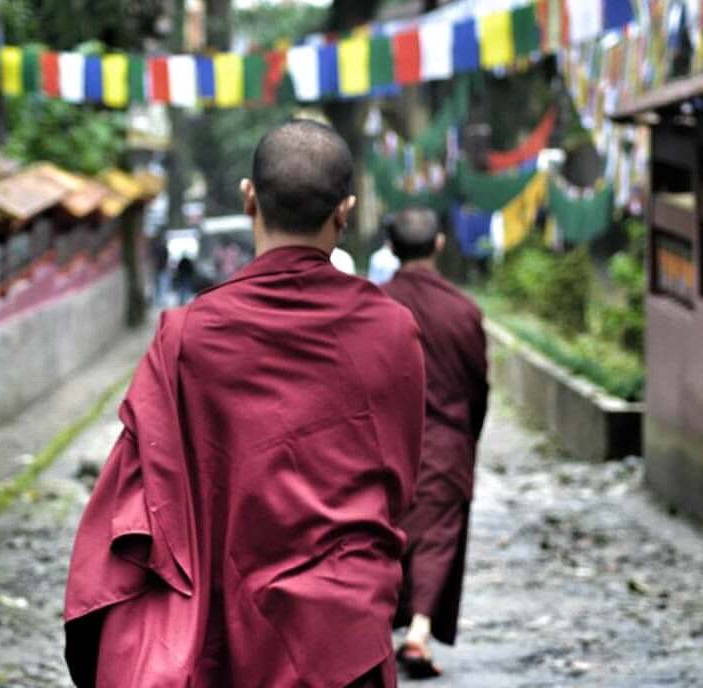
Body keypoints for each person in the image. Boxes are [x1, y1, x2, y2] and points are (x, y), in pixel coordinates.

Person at [64, 119, 426, 688]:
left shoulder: (188, 335)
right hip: (345, 630)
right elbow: (400, 483)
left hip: (228, 624)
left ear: (249, 198)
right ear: (346, 210)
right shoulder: (392, 329)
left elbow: (143, 499)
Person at [381, 206, 489, 680]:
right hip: (446, 442)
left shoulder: (374, 306)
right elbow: (478, 386)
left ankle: (384, 631)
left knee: (386, 534)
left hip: (385, 443)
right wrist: (468, 436)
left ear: (390, 248)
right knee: (438, 536)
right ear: (440, 244)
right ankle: (419, 632)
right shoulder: (463, 311)